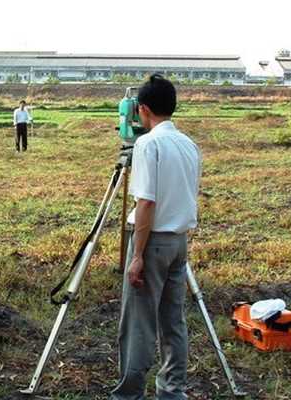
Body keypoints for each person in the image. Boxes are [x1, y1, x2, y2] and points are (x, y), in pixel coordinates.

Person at [111, 74, 202, 400]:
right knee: (173, 323)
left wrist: (137, 255)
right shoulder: (189, 144)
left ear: (142, 109)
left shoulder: (148, 144)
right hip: (179, 243)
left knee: (138, 324)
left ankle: (128, 394)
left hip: (152, 242)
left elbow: (146, 202)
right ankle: (172, 391)